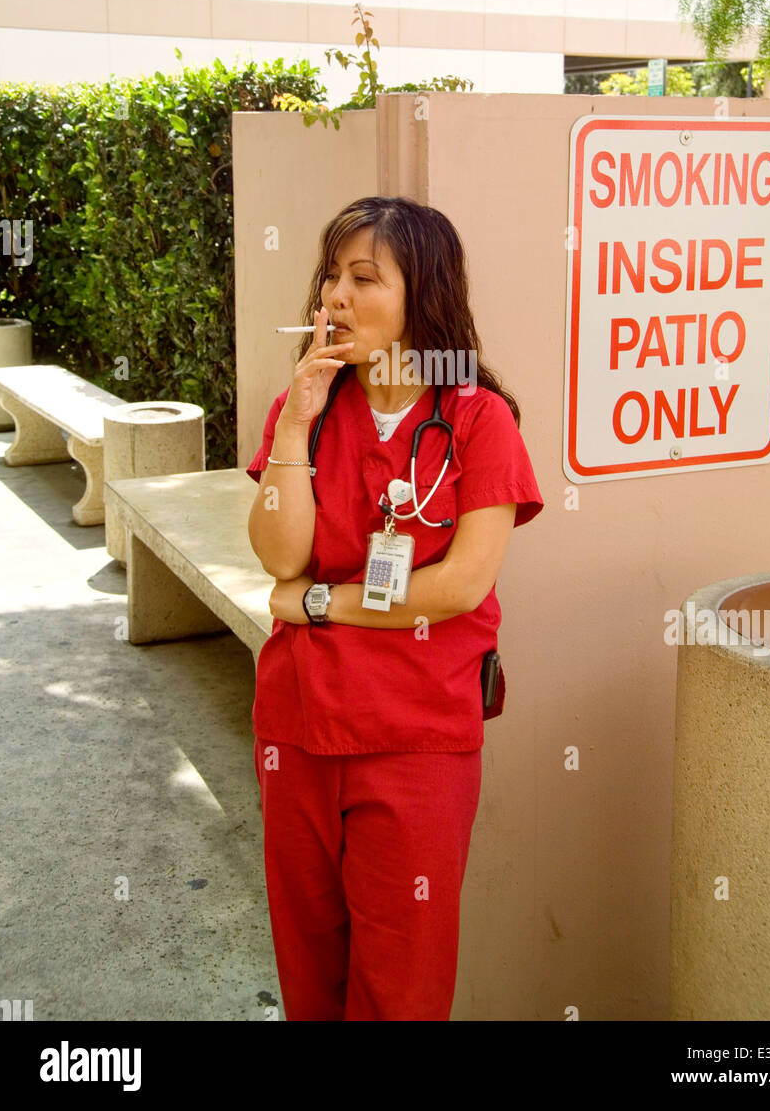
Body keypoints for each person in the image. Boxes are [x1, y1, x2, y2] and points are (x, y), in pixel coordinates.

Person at [246, 195, 543, 1021]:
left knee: (401, 978)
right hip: (298, 727)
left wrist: (315, 604)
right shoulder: (304, 410)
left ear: (426, 294)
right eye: (330, 277)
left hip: (415, 737)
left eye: (363, 278)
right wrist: (297, 426)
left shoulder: (478, 421)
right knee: (309, 963)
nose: (333, 297)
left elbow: (458, 587)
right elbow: (276, 554)